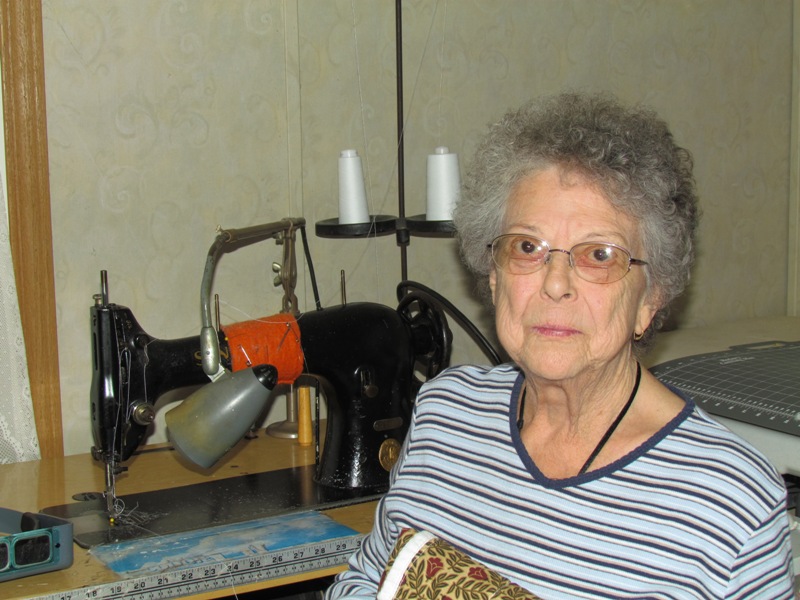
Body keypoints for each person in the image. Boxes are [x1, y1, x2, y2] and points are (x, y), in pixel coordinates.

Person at [324, 92, 794, 598]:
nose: (554, 284)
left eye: (599, 255)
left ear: (650, 297)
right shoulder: (445, 416)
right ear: (495, 277)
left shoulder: (729, 503)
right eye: (527, 247)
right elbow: (366, 581)